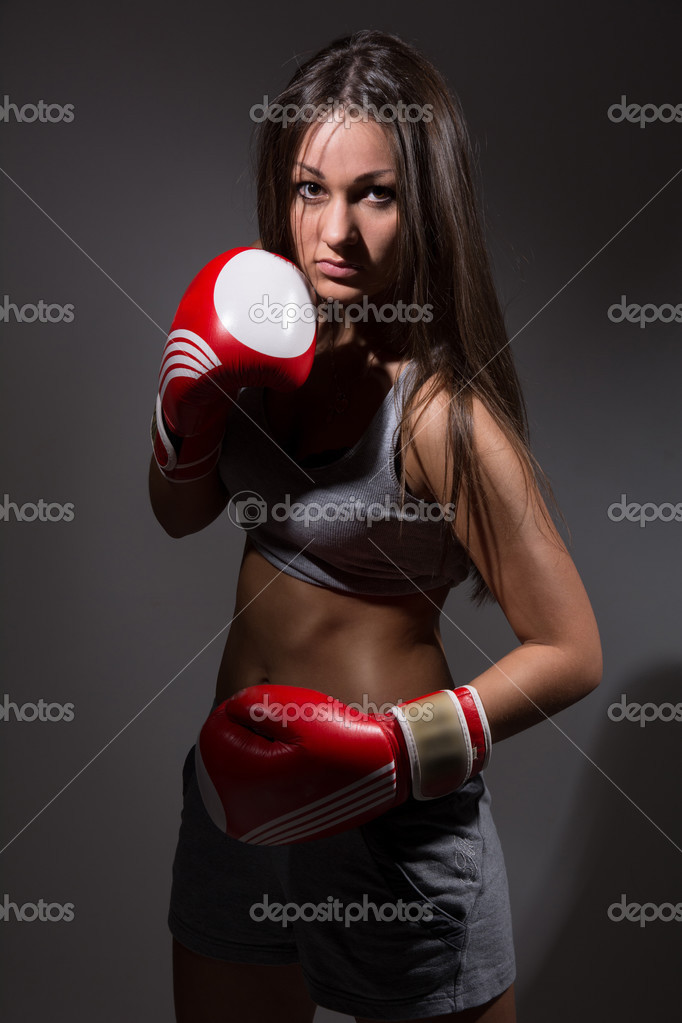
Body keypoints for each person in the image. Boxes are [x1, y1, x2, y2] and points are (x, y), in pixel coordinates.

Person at [148, 29, 602, 1023]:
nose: (335, 231)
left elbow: (571, 650)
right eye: (312, 189)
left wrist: (398, 749)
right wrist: (183, 418)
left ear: (424, 204)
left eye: (375, 194)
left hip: (392, 828)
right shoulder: (260, 353)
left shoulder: (441, 417)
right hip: (236, 805)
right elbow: (181, 516)